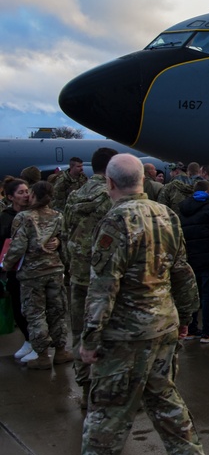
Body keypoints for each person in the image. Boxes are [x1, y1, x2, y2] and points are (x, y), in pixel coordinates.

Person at [77, 153, 204, 455]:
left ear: (109, 182)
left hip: (126, 335)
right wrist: (186, 317)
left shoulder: (115, 221)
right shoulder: (166, 214)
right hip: (164, 326)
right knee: (164, 397)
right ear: (142, 180)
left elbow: (104, 286)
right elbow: (182, 272)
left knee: (107, 408)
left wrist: (90, 338)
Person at [62, 146, 117, 405]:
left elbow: (65, 232)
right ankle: (107, 390)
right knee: (106, 331)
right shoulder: (109, 196)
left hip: (77, 273)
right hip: (102, 276)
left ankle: (86, 390)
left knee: (79, 332)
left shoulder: (75, 195)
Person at [2, 180, 72, 370]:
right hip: (55, 271)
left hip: (32, 274)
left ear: (34, 196)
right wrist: (65, 265)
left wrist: (5, 266)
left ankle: (42, 356)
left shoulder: (24, 217)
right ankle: (61, 351)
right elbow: (64, 243)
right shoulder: (58, 216)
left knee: (35, 314)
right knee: (57, 312)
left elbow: (17, 247)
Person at [179, 179, 209, 342]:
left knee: (193, 294)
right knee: (207, 294)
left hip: (190, 257)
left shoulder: (183, 208)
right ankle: (207, 331)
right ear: (208, 193)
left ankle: (191, 329)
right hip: (208, 257)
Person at [1, 178, 38, 363]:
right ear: (10, 197)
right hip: (15, 268)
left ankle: (37, 344)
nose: (25, 195)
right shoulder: (6, 217)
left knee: (35, 309)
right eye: (20, 192)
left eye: (26, 191)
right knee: (18, 307)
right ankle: (28, 340)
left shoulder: (37, 213)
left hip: (36, 268)